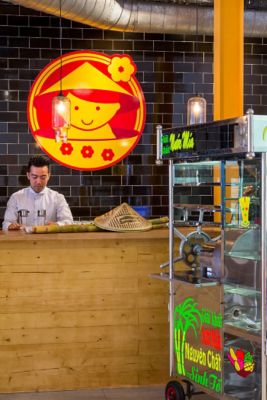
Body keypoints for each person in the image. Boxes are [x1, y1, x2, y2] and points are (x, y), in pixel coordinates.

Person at [2, 155, 73, 231]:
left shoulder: (58, 198)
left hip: (50, 241)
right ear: (28, 175)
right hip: (23, 241)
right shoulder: (16, 197)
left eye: (43, 177)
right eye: (34, 177)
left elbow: (69, 221)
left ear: (48, 176)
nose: (38, 182)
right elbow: (6, 223)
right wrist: (11, 226)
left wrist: (58, 225)